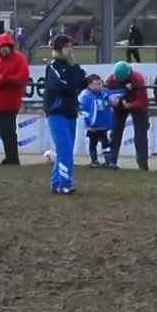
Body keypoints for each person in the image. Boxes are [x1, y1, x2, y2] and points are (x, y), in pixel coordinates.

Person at [43, 34, 88, 195]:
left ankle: (57, 182)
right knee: (65, 150)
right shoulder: (53, 67)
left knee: (66, 149)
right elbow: (61, 85)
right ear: (59, 48)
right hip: (57, 113)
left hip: (70, 112)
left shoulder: (71, 66)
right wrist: (74, 83)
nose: (71, 50)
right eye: (68, 46)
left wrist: (74, 68)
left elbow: (82, 81)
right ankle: (64, 182)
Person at [0, 32, 30, 166]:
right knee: (2, 130)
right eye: (2, 47)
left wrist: (6, 80)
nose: (4, 49)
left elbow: (23, 75)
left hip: (11, 101)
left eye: (6, 47)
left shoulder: (19, 58)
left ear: (10, 46)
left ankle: (13, 158)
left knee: (9, 130)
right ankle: (10, 157)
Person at [106, 61, 150, 170]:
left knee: (140, 133)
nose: (117, 79)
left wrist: (131, 105)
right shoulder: (111, 79)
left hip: (136, 104)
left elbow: (142, 100)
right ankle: (112, 160)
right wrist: (112, 100)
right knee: (115, 131)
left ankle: (142, 163)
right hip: (120, 103)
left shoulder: (138, 79)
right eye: (116, 78)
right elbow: (107, 92)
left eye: (120, 79)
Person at [79, 74, 116, 169]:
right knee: (93, 143)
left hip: (103, 125)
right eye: (96, 84)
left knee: (105, 143)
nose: (99, 86)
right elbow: (82, 110)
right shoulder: (85, 95)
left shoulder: (103, 93)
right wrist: (89, 123)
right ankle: (94, 160)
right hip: (92, 126)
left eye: (100, 84)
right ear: (89, 85)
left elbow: (112, 99)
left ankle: (108, 161)